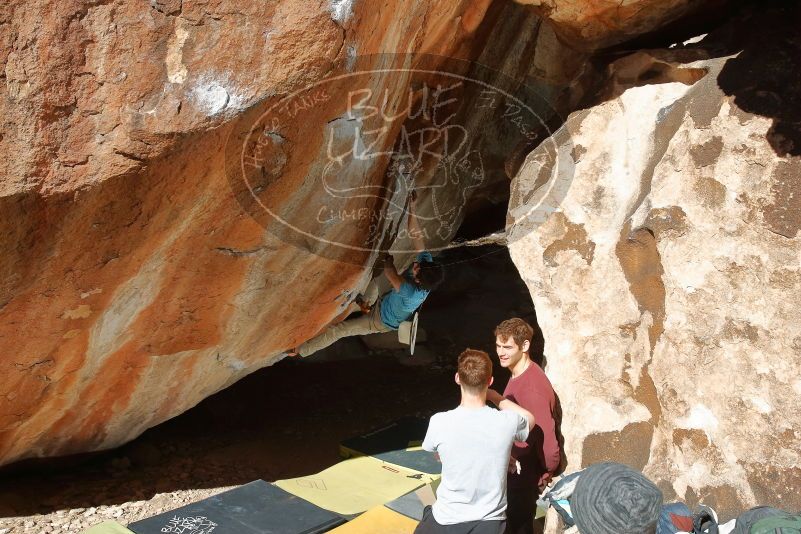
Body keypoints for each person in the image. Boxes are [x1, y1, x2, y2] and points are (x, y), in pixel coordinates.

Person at [290, 194, 444, 358]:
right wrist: (412, 209)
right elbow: (416, 235)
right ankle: (365, 303)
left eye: (416, 269)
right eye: (418, 264)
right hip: (389, 296)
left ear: (418, 280)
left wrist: (386, 257)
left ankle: (301, 351)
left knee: (340, 330)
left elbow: (389, 271)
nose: (415, 265)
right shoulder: (427, 270)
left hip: (381, 321)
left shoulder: (410, 292)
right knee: (377, 269)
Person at [415, 349, 534, 534]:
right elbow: (529, 418)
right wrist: (495, 396)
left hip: (446, 518)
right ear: (490, 381)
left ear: (457, 378)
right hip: (490, 523)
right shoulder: (507, 422)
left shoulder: (439, 421)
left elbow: (436, 451)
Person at [488, 318, 561, 534]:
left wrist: (545, 473)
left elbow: (548, 443)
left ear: (525, 346)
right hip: (515, 471)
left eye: (508, 347)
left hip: (523, 476)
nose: (501, 352)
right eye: (498, 346)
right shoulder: (520, 372)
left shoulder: (532, 389)